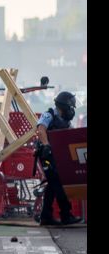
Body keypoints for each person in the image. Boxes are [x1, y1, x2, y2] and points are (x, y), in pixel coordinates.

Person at [34, 91, 82, 226]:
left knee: (52, 185)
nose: (72, 110)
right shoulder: (48, 115)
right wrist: (46, 145)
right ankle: (66, 215)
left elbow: (72, 135)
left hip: (58, 156)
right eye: (70, 107)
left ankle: (46, 217)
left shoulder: (65, 121)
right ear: (63, 106)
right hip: (46, 156)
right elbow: (41, 129)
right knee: (58, 184)